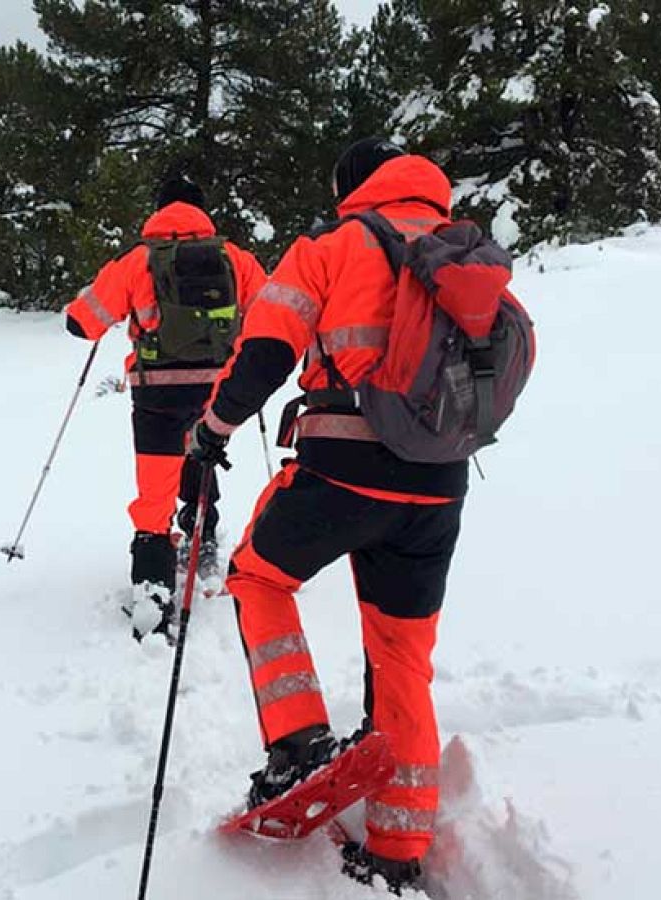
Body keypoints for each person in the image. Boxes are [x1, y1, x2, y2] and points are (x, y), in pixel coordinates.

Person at [184, 139, 514, 893]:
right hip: (439, 484)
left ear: (352, 186)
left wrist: (212, 431)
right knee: (401, 655)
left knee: (257, 578)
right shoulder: (461, 253)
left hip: (342, 471)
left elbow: (265, 353)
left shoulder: (331, 247)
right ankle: (397, 851)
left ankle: (297, 743)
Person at [63, 172, 268, 637]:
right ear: (202, 211)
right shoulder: (233, 257)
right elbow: (272, 310)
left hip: (157, 392)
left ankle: (154, 597)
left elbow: (83, 323)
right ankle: (203, 543)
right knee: (202, 458)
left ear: (158, 210)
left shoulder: (137, 259)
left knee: (155, 488)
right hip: (219, 389)